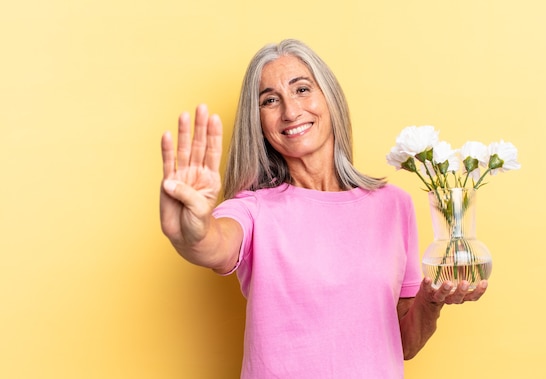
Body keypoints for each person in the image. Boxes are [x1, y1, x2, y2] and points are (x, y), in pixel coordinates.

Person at [160, 39, 487, 378]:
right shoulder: (253, 209)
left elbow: (402, 344)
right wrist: (190, 231)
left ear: (329, 98)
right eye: (270, 100)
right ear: (257, 122)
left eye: (302, 89)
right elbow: (213, 244)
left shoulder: (394, 205)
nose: (290, 111)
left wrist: (430, 302)